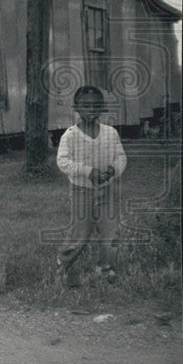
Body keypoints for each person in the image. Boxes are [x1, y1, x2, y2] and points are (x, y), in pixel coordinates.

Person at [55, 85, 127, 283]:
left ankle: (106, 269)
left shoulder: (111, 133)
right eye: (85, 106)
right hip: (82, 191)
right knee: (80, 233)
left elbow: (121, 157)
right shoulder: (70, 135)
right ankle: (63, 266)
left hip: (108, 190)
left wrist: (112, 169)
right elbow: (63, 161)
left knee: (110, 231)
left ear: (101, 108)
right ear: (76, 108)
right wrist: (88, 172)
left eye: (95, 106)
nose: (90, 110)